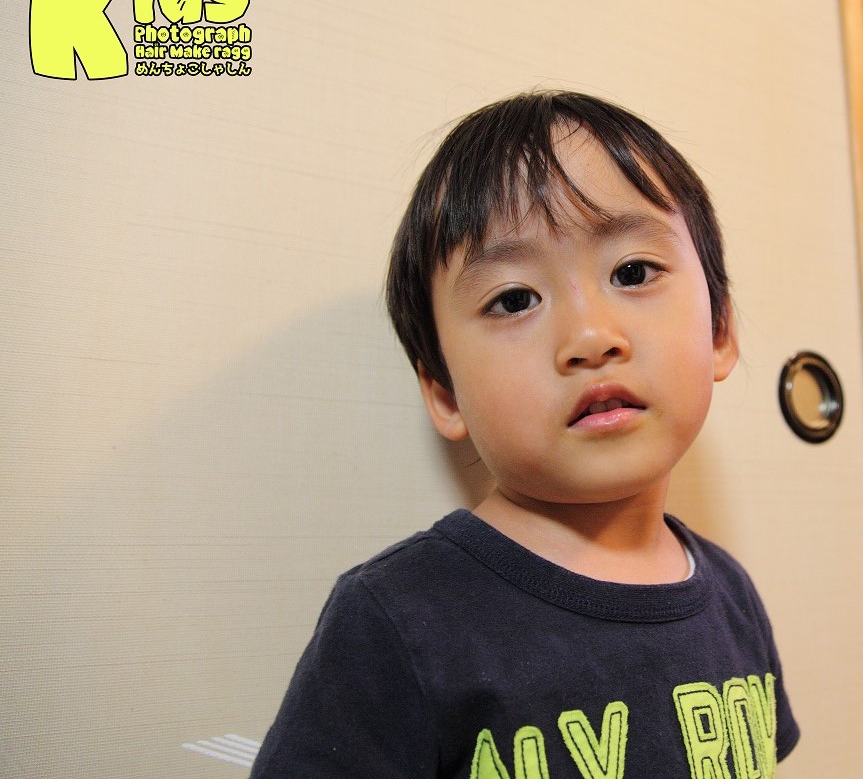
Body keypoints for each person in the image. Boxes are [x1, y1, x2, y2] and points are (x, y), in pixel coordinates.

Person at [250, 91, 799, 778]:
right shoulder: (399, 618)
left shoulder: (731, 595)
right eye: (514, 299)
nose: (591, 336)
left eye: (632, 272)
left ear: (718, 330)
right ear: (445, 391)